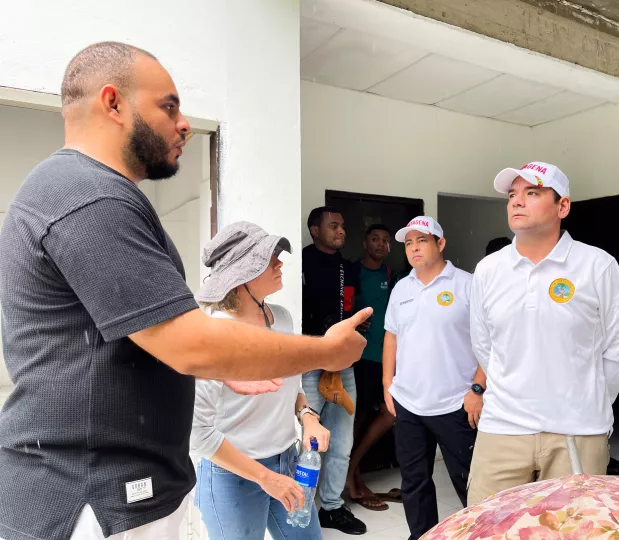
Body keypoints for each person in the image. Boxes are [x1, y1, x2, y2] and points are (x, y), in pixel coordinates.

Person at [0, 42, 370, 540]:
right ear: (112, 103)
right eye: (168, 107)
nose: (184, 125)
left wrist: (226, 368)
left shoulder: (92, 193)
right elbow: (190, 344)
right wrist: (327, 351)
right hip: (94, 499)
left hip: (121, 491)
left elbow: (146, 342)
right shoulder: (88, 196)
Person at [467, 161, 619, 504]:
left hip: (577, 431)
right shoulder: (488, 270)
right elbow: (484, 345)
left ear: (563, 206)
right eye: (512, 195)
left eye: (532, 193)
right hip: (502, 427)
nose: (517, 201)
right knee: (488, 523)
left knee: (572, 525)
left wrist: (588, 397)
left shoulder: (597, 265)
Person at [192, 221, 330, 540]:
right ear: (241, 276)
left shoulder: (281, 318)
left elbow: (292, 386)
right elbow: (199, 435)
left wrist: (308, 417)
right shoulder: (214, 336)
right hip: (233, 475)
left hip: (289, 461)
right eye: (269, 259)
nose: (280, 263)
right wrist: (265, 478)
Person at [384, 216, 484, 540]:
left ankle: (485, 534)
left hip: (456, 402)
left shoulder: (467, 284)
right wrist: (387, 385)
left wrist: (477, 388)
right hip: (409, 403)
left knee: (471, 481)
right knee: (414, 482)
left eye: (422, 240)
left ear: (440, 244)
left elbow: (491, 341)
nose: (414, 248)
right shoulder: (401, 288)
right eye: (408, 243)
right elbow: (391, 337)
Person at [301, 207, 367, 535]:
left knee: (341, 441)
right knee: (306, 440)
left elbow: (350, 304)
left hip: (343, 365)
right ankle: (299, 507)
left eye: (343, 226)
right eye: (333, 226)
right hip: (310, 362)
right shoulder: (301, 262)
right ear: (315, 230)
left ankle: (332, 507)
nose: (341, 231)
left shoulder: (347, 267)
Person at [346, 224, 399, 511]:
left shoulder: (392, 275)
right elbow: (345, 307)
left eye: (386, 240)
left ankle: (351, 467)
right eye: (375, 239)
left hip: (389, 358)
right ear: (365, 243)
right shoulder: (353, 271)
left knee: (390, 413)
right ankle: (352, 477)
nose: (380, 244)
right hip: (362, 357)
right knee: (358, 418)